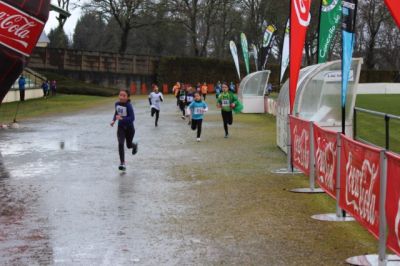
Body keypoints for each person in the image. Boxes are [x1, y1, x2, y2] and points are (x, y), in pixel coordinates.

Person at [110, 89, 138, 171]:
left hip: (130, 128)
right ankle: (122, 163)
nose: (121, 97)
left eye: (124, 95)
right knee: (121, 143)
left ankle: (134, 145)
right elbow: (116, 113)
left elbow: (132, 118)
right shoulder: (117, 104)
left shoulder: (129, 106)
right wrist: (113, 120)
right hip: (121, 128)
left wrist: (122, 118)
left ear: (127, 97)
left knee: (129, 146)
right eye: (120, 95)